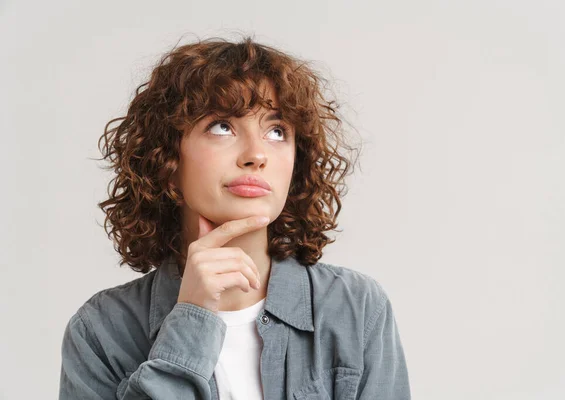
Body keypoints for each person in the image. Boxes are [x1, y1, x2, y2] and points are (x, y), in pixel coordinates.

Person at [58, 35, 411, 399]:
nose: (256, 155)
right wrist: (192, 317)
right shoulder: (100, 331)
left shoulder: (355, 308)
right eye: (222, 126)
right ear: (166, 160)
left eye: (277, 131)